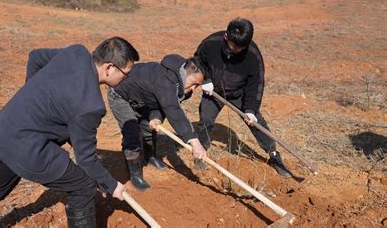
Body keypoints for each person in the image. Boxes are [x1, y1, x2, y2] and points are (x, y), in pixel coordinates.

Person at [0, 37, 140, 228]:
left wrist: (31, 97)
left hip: (1, 132)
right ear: (109, 67)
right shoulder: (91, 105)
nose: (125, 78)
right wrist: (111, 185)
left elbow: (35, 57)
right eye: (125, 73)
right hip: (26, 147)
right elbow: (86, 160)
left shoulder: (76, 53)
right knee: (84, 187)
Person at [194, 18, 291, 178]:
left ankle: (274, 155)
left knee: (257, 123)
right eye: (234, 46)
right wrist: (205, 80)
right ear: (226, 37)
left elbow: (256, 85)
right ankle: (201, 152)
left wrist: (251, 110)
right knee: (205, 119)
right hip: (214, 91)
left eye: (241, 48)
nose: (237, 50)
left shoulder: (253, 56)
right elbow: (198, 60)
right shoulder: (211, 43)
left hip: (239, 93)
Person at [107, 54, 208, 190]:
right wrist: (194, 142)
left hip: (143, 99)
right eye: (194, 83)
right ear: (185, 73)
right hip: (121, 95)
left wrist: (157, 116)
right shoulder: (165, 80)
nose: (194, 89)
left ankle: (149, 157)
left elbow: (164, 103)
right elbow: (173, 111)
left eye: (198, 86)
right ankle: (135, 174)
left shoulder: (183, 87)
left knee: (148, 129)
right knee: (133, 135)